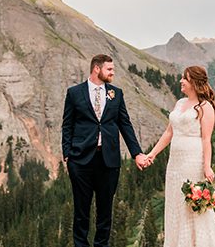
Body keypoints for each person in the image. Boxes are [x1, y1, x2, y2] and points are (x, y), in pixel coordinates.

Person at [62, 54, 150, 247]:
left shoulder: (116, 94)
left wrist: (137, 153)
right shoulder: (74, 93)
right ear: (96, 69)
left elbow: (125, 125)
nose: (112, 73)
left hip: (108, 161)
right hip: (80, 161)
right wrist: (67, 155)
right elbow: (67, 125)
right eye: (109, 69)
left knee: (105, 211)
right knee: (81, 211)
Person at [143, 65, 215, 247]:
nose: (181, 81)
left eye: (184, 78)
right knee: (176, 204)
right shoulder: (179, 103)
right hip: (174, 163)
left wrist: (207, 166)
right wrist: (151, 154)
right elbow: (169, 133)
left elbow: (206, 139)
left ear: (194, 82)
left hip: (193, 160)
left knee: (190, 205)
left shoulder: (205, 106)